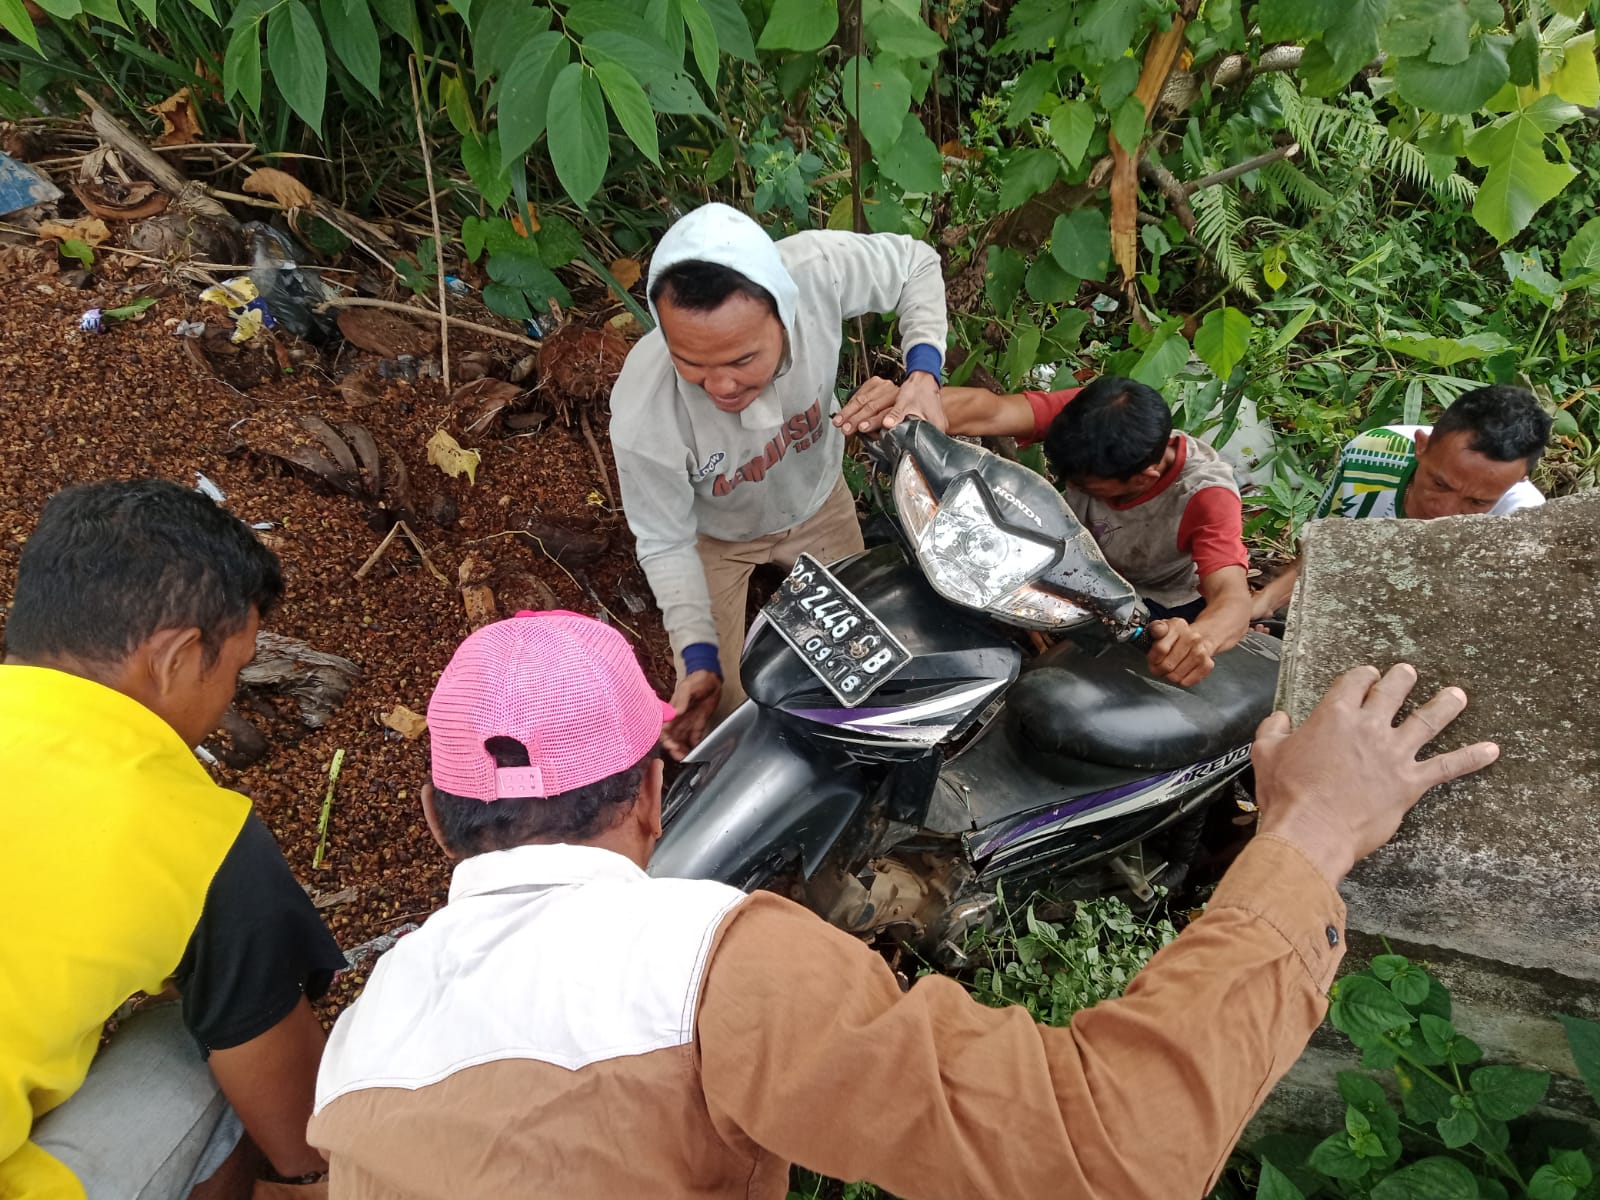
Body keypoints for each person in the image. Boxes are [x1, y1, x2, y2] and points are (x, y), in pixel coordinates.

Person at [309, 610, 1496, 1199]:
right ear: (656, 790)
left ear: (431, 816)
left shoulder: (357, 1048)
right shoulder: (702, 965)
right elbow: (1116, 1144)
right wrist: (1310, 834)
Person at [0, 480, 347, 1198]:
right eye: (236, 668)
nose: (228, 699)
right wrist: (313, 1175)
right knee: (206, 1030)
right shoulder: (196, 834)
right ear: (177, 655)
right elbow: (294, 1114)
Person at [610, 202, 947, 755]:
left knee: (861, 659)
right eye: (691, 363)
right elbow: (666, 542)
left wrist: (923, 373)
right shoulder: (644, 409)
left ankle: (857, 762)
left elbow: (916, 264)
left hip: (818, 505)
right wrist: (699, 659)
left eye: (743, 359)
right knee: (720, 706)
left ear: (784, 312)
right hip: (714, 539)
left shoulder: (815, 272)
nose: (719, 385)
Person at [839, 373, 1252, 686]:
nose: (1072, 487)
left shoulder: (1206, 496)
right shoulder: (1095, 421)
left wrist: (1198, 641)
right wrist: (907, 410)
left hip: (1151, 605)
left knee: (1065, 686)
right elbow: (992, 410)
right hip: (1059, 560)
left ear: (1145, 477)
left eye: (1088, 487)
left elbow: (1233, 601)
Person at [1249, 384, 1551, 620]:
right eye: (1439, 484)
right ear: (1421, 446)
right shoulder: (1370, 455)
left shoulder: (1522, 522)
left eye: (1477, 502)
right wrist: (1263, 602)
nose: (1444, 512)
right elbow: (1321, 556)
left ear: (1518, 481)